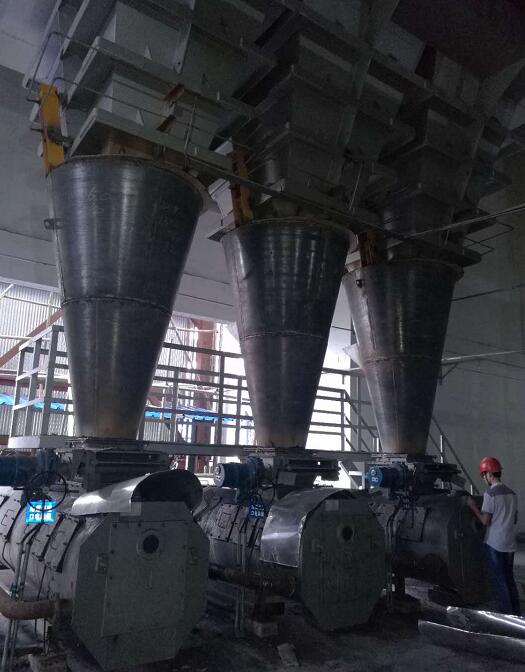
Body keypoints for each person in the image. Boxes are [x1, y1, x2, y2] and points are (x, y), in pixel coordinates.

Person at [467, 456, 520, 615]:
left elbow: (485, 521)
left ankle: (506, 616)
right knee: (509, 579)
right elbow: (514, 519)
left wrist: (473, 507)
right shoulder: (512, 494)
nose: (484, 479)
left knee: (499, 580)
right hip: (510, 544)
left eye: (484, 475)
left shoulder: (490, 494)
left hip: (495, 544)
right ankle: (516, 613)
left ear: (489, 474)